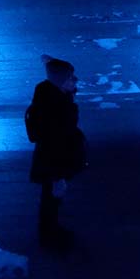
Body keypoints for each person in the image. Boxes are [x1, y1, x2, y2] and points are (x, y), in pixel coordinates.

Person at [26, 54, 88, 251]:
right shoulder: (59, 109)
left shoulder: (48, 95)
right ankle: (49, 235)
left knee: (50, 198)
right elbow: (57, 143)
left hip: (50, 160)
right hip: (55, 164)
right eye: (71, 78)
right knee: (52, 198)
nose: (75, 80)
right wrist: (58, 176)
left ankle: (50, 231)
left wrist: (52, 64)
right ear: (61, 82)